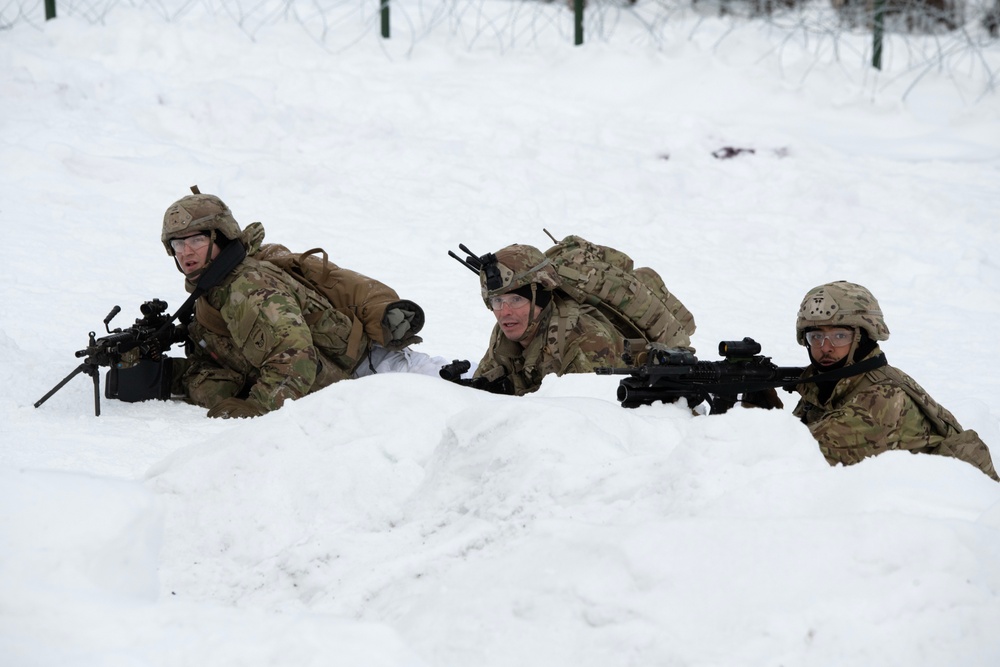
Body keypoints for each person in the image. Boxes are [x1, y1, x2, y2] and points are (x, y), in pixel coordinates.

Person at [161, 189, 447, 418]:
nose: (186, 252)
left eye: (196, 240)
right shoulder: (214, 291)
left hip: (374, 375)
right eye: (177, 244)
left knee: (469, 395)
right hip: (353, 384)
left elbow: (296, 359)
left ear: (220, 237)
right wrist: (165, 375)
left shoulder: (245, 286)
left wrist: (259, 406)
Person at [792, 280, 998, 480]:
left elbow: (797, 458)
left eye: (839, 336)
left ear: (863, 337)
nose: (825, 347)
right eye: (816, 337)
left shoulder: (882, 398)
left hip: (945, 505)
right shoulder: (833, 383)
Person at [468, 244, 628, 396]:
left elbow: (585, 414)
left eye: (516, 300)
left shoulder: (582, 338)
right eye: (497, 301)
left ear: (540, 300)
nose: (505, 312)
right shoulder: (505, 334)